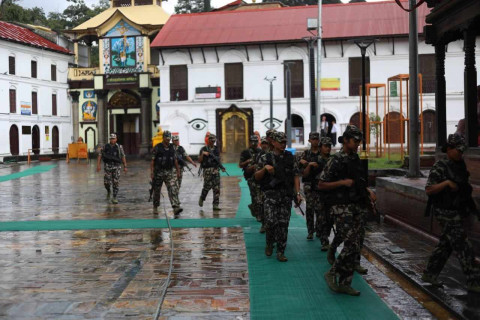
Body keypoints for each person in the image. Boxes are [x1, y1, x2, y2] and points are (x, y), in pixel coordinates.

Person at [318, 125, 375, 296]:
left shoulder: (355, 159)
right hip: (341, 207)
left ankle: (344, 282)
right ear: (347, 140)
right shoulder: (336, 160)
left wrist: (368, 192)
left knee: (355, 245)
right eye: (355, 140)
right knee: (350, 244)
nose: (358, 144)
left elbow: (358, 181)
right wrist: (341, 183)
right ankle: (332, 272)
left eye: (359, 141)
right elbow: (321, 184)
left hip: (356, 205)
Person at [421, 134, 480, 293]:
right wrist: (446, 183)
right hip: (444, 211)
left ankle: (430, 274)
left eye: (462, 150)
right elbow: (429, 189)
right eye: (457, 150)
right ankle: (473, 281)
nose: (460, 153)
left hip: (457, 210)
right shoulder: (440, 166)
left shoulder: (460, 165)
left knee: (446, 245)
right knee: (463, 245)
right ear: (449, 149)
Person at [255, 131, 302, 262]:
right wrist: (265, 169)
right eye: (280, 142)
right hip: (270, 195)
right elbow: (256, 176)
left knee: (283, 224)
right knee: (270, 222)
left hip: (285, 195)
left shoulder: (290, 158)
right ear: (273, 142)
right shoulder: (265, 158)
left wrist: (297, 193)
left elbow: (296, 176)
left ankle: (281, 251)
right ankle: (270, 242)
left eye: (284, 142)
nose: (283, 144)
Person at [151, 131, 183, 215]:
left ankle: (175, 206)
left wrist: (178, 171)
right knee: (157, 191)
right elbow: (153, 161)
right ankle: (155, 206)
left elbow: (175, 160)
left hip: (169, 171)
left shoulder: (173, 147)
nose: (168, 140)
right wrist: (152, 172)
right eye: (166, 138)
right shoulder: (157, 147)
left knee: (172, 189)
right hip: (159, 172)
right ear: (163, 138)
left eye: (169, 139)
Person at [299, 132, 323, 240]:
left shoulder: (322, 153)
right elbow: (301, 170)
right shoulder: (306, 154)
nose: (315, 141)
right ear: (309, 140)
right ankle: (310, 231)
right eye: (313, 139)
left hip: (320, 184)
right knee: (309, 209)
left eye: (317, 139)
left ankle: (318, 229)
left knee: (320, 209)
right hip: (309, 184)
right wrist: (308, 164)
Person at [312, 136, 333, 250]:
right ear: (320, 147)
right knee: (321, 217)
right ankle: (324, 241)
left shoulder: (333, 160)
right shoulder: (315, 160)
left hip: (330, 192)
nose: (328, 148)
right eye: (325, 146)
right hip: (318, 192)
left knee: (330, 217)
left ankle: (324, 233)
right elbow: (307, 175)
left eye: (329, 146)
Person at [96, 133, 127, 204]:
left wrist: (125, 166)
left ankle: (115, 197)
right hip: (108, 166)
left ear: (116, 139)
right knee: (106, 182)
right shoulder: (105, 146)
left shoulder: (119, 147)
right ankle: (108, 191)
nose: (112, 140)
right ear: (109, 139)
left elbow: (123, 156)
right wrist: (98, 165)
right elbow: (100, 155)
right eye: (111, 139)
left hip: (116, 166)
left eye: (114, 139)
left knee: (116, 182)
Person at [198, 134, 226, 210]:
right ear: (208, 140)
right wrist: (203, 154)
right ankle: (202, 198)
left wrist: (222, 167)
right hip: (207, 170)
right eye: (211, 140)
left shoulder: (216, 149)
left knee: (217, 188)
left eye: (214, 141)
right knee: (207, 187)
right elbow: (199, 160)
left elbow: (218, 160)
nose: (213, 142)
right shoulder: (203, 149)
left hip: (215, 170)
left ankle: (215, 205)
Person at [239, 135, 262, 218]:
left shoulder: (260, 151)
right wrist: (247, 162)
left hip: (260, 176)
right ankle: (257, 213)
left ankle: (256, 209)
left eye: (256, 141)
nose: (254, 143)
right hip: (251, 176)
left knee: (261, 196)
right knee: (255, 195)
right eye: (252, 141)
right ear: (249, 142)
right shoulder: (245, 152)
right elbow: (240, 165)